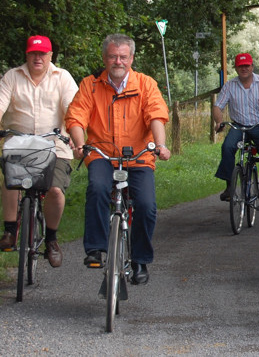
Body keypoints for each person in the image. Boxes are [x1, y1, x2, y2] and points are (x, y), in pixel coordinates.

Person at [65, 34, 171, 285]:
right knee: (98, 188)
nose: (118, 61)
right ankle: (95, 248)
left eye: (123, 56)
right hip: (102, 153)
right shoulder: (90, 85)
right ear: (104, 58)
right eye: (113, 56)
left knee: (146, 205)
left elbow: (156, 115)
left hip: (138, 156)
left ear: (131, 58)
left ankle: (140, 260)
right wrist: (80, 144)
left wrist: (161, 145)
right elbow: (76, 117)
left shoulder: (145, 84)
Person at [0, 35, 78, 268]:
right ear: (27, 55)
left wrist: (76, 137)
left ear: (50, 56)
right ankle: (10, 231)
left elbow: (72, 108)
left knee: (54, 190)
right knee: (11, 179)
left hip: (54, 146)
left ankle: (52, 240)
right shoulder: (12, 77)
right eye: (34, 53)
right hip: (19, 145)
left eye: (42, 54)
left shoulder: (62, 78)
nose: (38, 58)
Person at [213, 53, 259, 211]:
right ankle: (229, 186)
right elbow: (218, 106)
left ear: (252, 67)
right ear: (236, 68)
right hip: (239, 126)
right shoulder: (230, 86)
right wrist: (219, 122)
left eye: (247, 66)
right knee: (227, 147)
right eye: (240, 66)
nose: (244, 69)